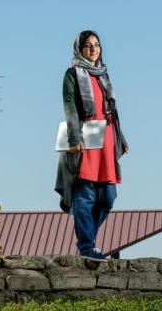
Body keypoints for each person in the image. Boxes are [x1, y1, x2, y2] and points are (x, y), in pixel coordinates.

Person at [55, 30, 128, 262]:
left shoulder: (103, 75)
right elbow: (70, 107)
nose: (93, 49)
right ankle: (87, 246)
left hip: (106, 137)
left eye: (96, 45)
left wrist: (121, 139)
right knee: (85, 194)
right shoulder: (72, 74)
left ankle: (88, 241)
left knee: (108, 196)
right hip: (85, 137)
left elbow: (112, 110)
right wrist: (74, 139)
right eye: (88, 45)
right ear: (80, 49)